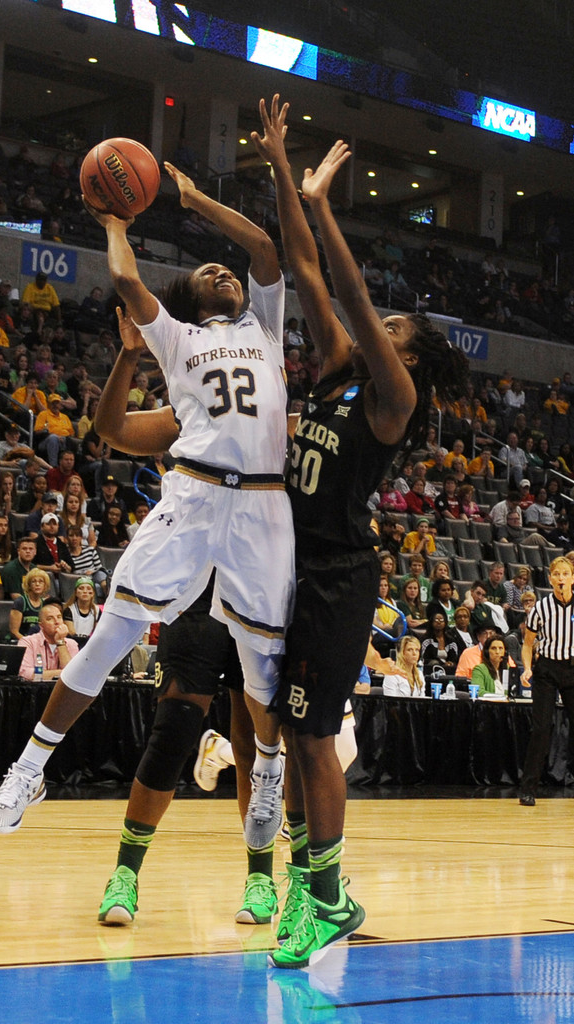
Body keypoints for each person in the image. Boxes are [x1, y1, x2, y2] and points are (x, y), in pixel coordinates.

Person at [0, 149, 295, 863]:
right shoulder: (176, 339)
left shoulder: (265, 329)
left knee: (261, 668)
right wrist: (115, 218)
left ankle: (268, 775)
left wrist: (192, 198)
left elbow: (265, 248)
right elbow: (123, 277)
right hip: (192, 496)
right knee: (112, 636)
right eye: (206, 271)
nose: (222, 270)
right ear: (185, 299)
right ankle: (30, 768)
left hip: (263, 509)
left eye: (227, 272)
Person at [249, 97, 466, 968]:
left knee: (310, 736)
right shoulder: (340, 373)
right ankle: (312, 884)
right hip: (292, 567)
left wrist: (330, 206)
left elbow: (350, 290)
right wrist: (280, 172)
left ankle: (330, 897)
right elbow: (305, 271)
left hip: (340, 575)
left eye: (398, 332)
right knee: (293, 737)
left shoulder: (394, 400)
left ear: (406, 355)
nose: (386, 329)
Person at [518, 557, 574, 806]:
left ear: (573, 577)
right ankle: (528, 788)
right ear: (550, 578)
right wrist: (527, 668)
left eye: (566, 573)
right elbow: (528, 644)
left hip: (572, 668)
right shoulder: (540, 609)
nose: (561, 578)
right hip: (547, 669)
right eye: (557, 574)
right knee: (541, 729)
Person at [18, 602, 79, 681]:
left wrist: (60, 642)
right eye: (50, 618)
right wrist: (63, 673)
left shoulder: (72, 644)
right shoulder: (27, 642)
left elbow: (73, 675)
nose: (57, 622)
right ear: (41, 625)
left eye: (59, 617)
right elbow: (26, 674)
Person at [9, 568, 51, 640]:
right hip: (21, 642)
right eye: (33, 582)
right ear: (29, 585)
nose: (37, 584)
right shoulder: (20, 602)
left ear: (45, 585)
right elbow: (14, 632)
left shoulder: (45, 604)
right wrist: (29, 643)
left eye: (41, 581)